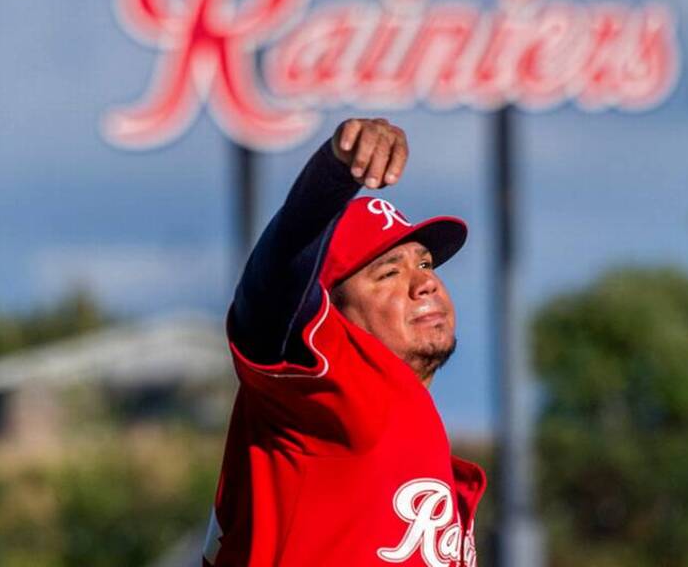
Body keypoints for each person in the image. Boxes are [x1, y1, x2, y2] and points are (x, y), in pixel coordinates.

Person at [202, 117, 486, 567]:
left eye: (426, 265)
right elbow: (273, 280)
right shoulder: (315, 380)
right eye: (388, 273)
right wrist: (332, 175)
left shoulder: (411, 437)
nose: (424, 284)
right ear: (326, 312)